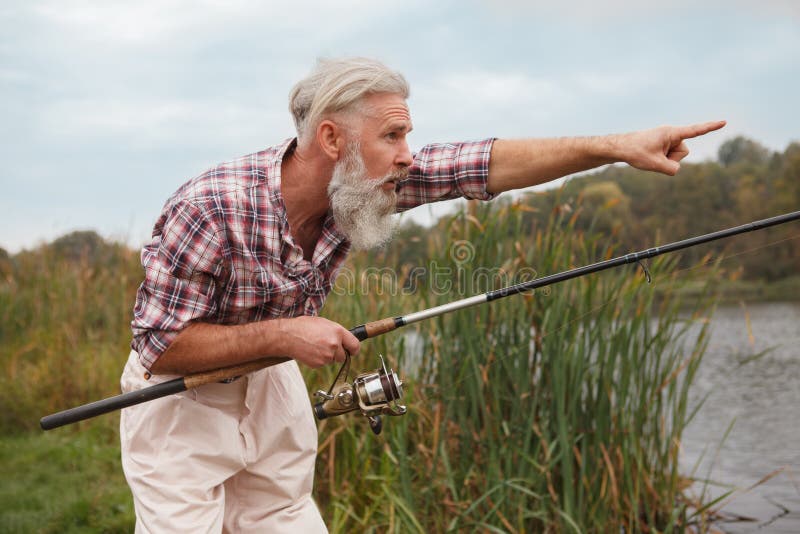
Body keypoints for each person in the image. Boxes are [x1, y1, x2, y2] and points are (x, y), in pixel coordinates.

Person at [119, 57, 725, 532]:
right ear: (332, 138)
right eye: (394, 135)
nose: (409, 155)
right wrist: (285, 332)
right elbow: (162, 345)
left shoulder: (368, 181)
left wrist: (614, 148)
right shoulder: (210, 207)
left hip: (272, 382)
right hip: (180, 401)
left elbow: (481, 164)